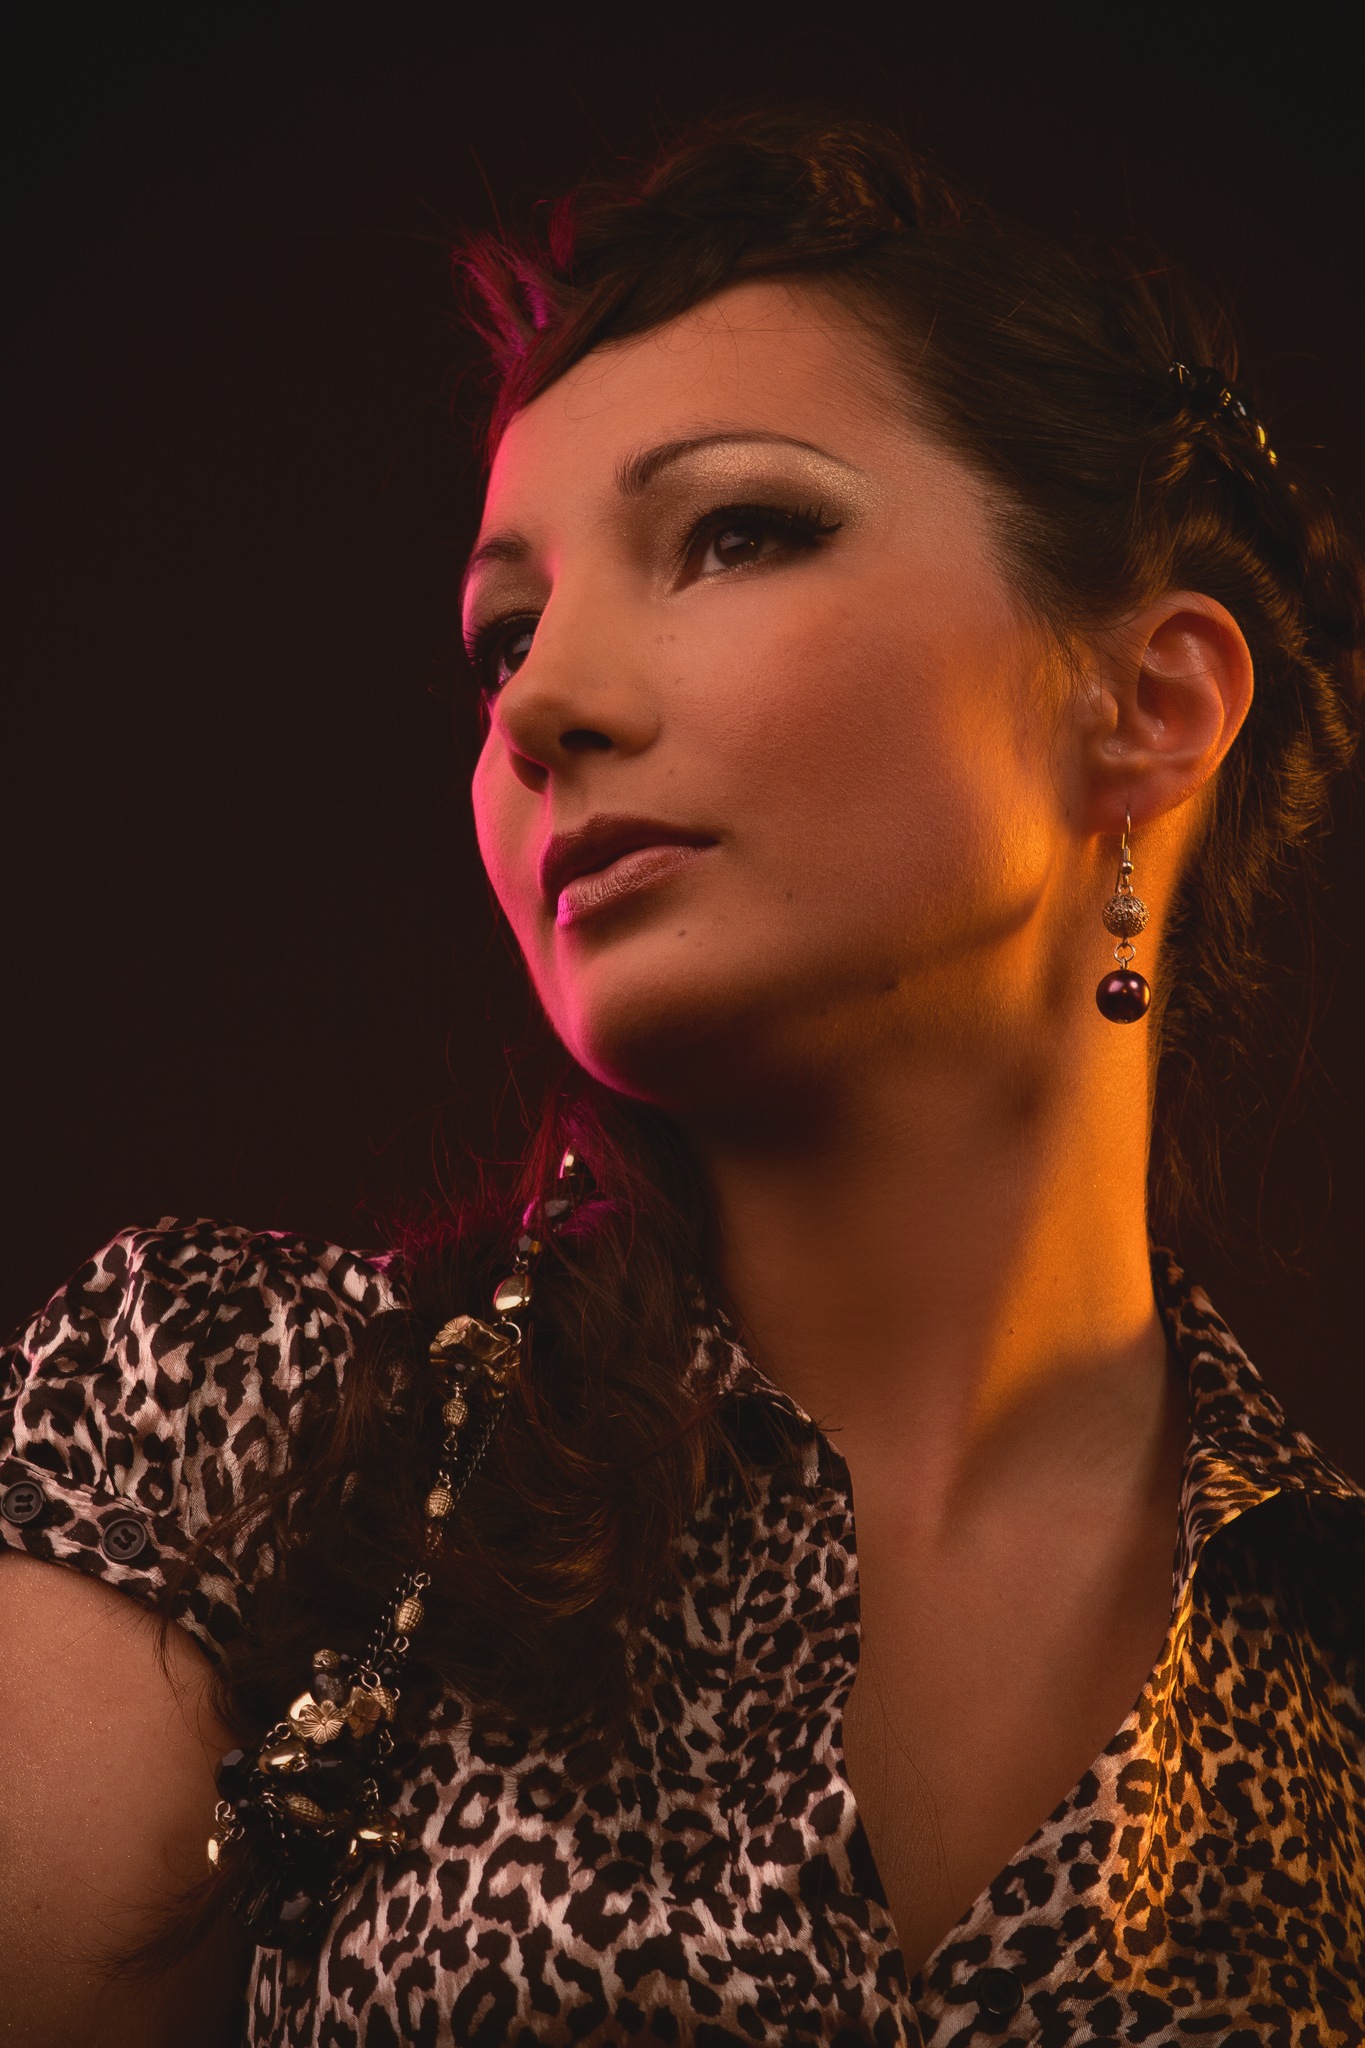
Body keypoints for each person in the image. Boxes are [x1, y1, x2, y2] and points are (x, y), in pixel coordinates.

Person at [2, 110, 1363, 2047]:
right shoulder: (239, 1425)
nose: (542, 702)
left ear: (1147, 705)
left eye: (735, 534)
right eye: (504, 635)